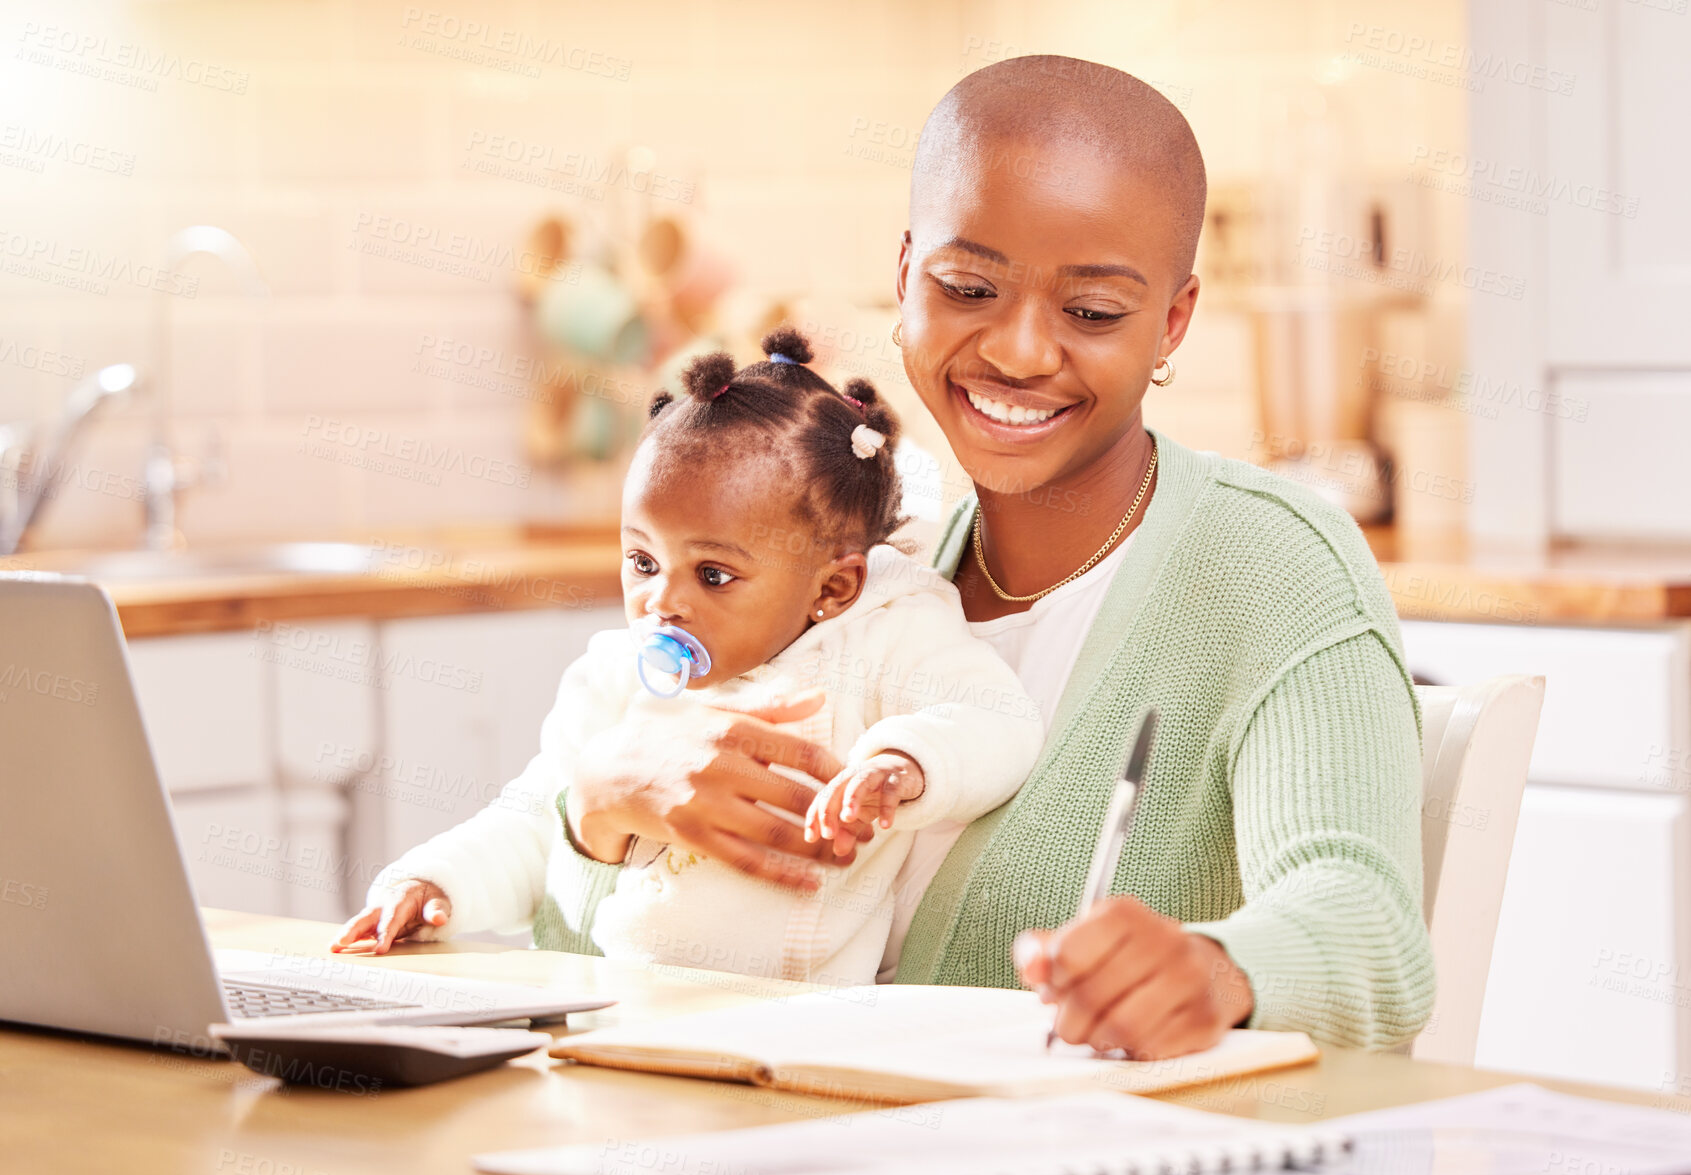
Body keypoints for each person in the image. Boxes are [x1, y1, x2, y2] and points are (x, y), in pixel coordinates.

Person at [542, 56, 1435, 1058]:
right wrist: (600, 806)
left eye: (1091, 312)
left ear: (1171, 321)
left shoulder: (1270, 561)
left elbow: (1370, 936)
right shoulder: (853, 575)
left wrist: (1217, 968)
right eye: (967, 286)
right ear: (903, 276)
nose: (1016, 351)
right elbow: (578, 954)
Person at [332, 329, 1043, 987]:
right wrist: (432, 885)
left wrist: (906, 763)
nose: (660, 602)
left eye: (712, 575)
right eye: (642, 560)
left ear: (831, 586)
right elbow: (535, 817)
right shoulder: (614, 678)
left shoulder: (885, 638)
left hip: (796, 1027)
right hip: (624, 1009)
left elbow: (997, 718)